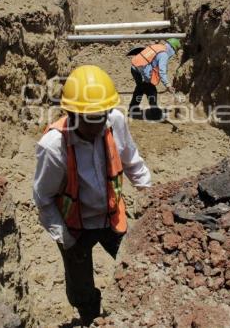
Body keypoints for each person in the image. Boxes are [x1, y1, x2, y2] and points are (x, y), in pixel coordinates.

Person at [33, 65, 151, 327]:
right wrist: (66, 240)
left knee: (138, 265)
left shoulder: (114, 121)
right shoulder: (53, 147)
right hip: (74, 228)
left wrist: (150, 197)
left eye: (103, 114)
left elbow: (132, 162)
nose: (100, 122)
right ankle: (90, 319)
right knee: (81, 289)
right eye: (91, 117)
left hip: (112, 218)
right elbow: (43, 200)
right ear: (72, 114)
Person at [128, 38, 181, 119]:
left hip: (134, 67)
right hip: (140, 71)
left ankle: (133, 110)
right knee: (152, 91)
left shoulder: (158, 46)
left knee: (140, 88)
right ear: (173, 49)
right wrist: (168, 85)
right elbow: (162, 71)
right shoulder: (164, 54)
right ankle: (155, 114)